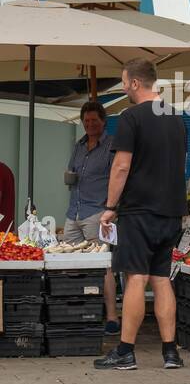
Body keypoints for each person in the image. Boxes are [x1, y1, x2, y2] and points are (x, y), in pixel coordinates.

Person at [95, 59, 188, 370]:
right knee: (162, 278)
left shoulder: (130, 117)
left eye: (124, 82)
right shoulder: (176, 117)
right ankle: (170, 352)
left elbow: (121, 166)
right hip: (172, 211)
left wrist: (110, 207)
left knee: (136, 276)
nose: (123, 88)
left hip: (139, 210)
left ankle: (125, 351)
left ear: (135, 83)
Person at [64, 101, 120, 333]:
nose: (90, 125)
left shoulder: (112, 145)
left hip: (98, 213)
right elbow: (71, 172)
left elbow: (119, 177)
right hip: (74, 212)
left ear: (103, 121)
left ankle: (111, 318)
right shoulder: (78, 146)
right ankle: (78, 313)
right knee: (69, 264)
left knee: (103, 265)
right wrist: (69, 177)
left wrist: (113, 208)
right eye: (86, 121)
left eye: (94, 121)